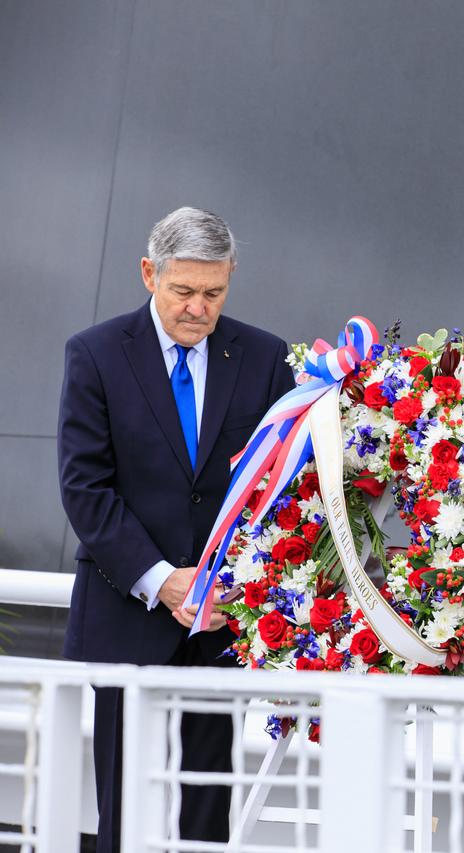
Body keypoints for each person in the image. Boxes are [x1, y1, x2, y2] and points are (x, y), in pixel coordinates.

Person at [58, 207, 295, 852]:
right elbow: (85, 489)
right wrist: (163, 581)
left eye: (213, 292)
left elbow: (278, 489)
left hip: (221, 619)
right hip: (126, 610)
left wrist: (231, 583)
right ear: (148, 274)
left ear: (231, 279)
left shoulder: (266, 356)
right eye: (183, 291)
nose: (198, 308)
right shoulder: (96, 354)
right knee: (122, 800)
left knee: (208, 804)